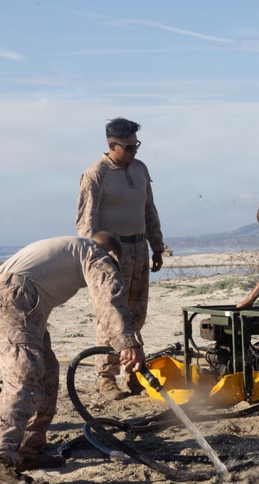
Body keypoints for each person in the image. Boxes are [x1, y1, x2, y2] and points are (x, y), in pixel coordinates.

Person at [0, 233, 146, 484]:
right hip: (10, 301)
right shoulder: (94, 253)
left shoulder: (68, 249)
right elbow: (109, 299)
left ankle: (29, 449)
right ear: (111, 255)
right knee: (24, 378)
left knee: (47, 370)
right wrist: (128, 344)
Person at [76, 117, 165, 400]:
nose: (134, 151)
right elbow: (85, 222)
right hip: (110, 252)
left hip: (139, 250)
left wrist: (157, 245)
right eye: (128, 147)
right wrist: (95, 259)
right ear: (111, 145)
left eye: (136, 145)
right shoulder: (95, 175)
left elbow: (149, 209)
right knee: (111, 315)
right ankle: (106, 377)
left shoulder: (140, 169)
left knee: (136, 315)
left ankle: (134, 372)